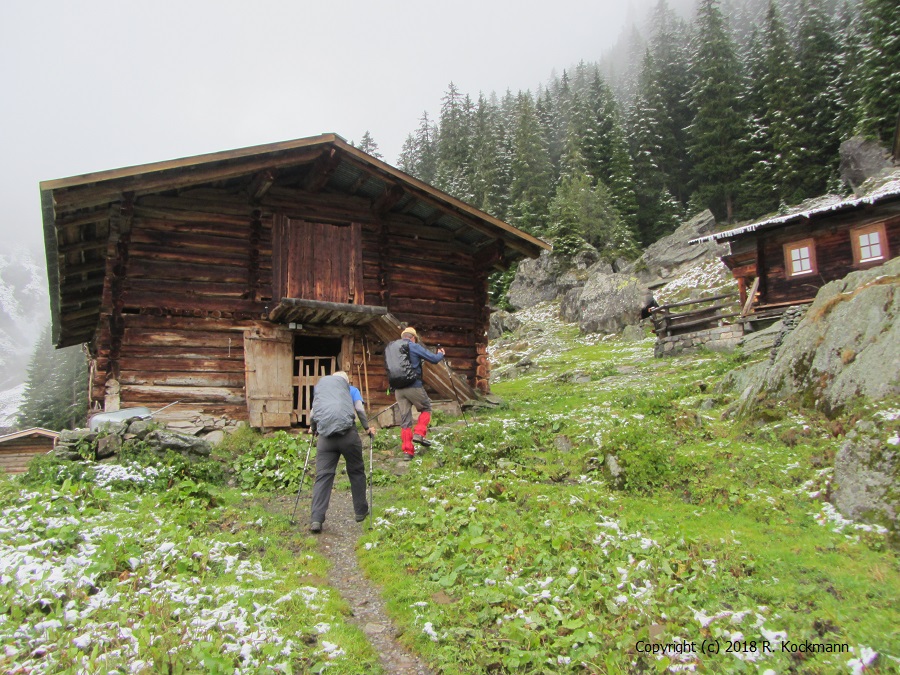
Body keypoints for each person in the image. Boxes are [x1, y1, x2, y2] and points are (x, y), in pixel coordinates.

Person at [308, 371, 376, 533]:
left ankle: (316, 519)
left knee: (323, 476)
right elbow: (359, 409)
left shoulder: (323, 390)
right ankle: (360, 511)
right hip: (348, 436)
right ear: (346, 381)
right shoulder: (351, 389)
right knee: (356, 471)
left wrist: (313, 428)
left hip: (326, 438)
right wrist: (367, 428)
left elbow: (313, 413)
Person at [392, 327, 445, 460]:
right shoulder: (413, 346)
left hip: (398, 389)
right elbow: (433, 359)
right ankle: (419, 433)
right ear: (413, 338)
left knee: (405, 421)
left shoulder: (394, 349)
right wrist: (440, 354)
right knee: (426, 408)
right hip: (413, 386)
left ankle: (407, 452)